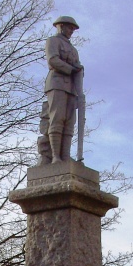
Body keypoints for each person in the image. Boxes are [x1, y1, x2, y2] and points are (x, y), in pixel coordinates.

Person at [39, 16, 83, 164]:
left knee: (69, 122)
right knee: (57, 119)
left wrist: (79, 70)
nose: (71, 31)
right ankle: (55, 157)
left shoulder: (73, 50)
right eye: (69, 27)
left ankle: (65, 155)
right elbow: (53, 60)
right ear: (61, 26)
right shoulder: (53, 41)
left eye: (73, 29)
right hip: (57, 83)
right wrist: (71, 69)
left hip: (72, 88)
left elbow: (77, 67)